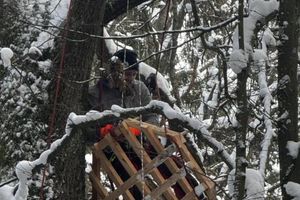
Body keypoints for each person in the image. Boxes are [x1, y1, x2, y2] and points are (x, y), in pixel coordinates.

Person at [88, 49, 157, 199]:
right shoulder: (97, 92)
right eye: (127, 74)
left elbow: (151, 116)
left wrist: (141, 130)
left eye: (133, 74)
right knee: (133, 184)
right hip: (113, 150)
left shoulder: (140, 89)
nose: (130, 78)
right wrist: (104, 131)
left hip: (141, 144)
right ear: (116, 72)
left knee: (169, 165)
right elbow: (88, 130)